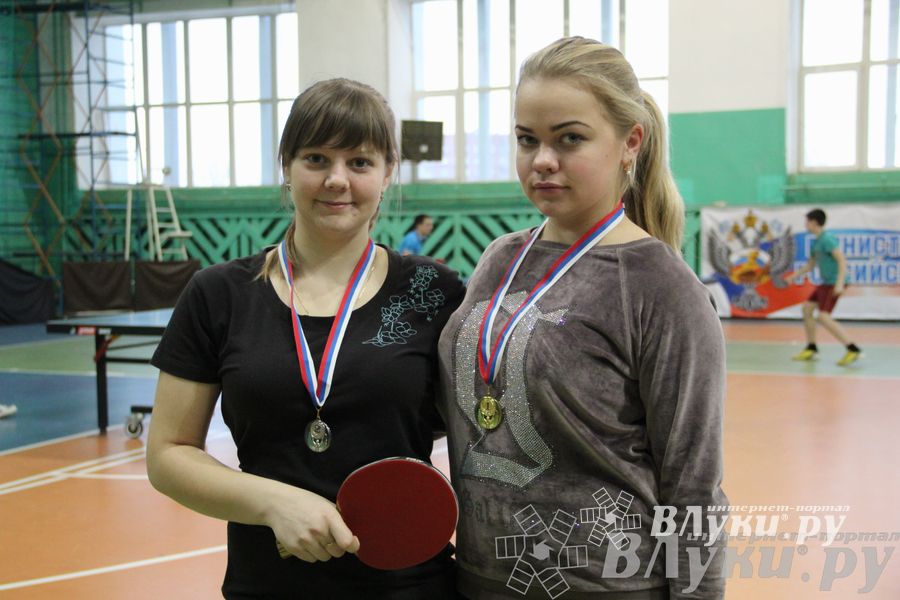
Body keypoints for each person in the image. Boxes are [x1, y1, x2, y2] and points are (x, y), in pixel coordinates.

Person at [146, 78, 464, 599]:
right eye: (316, 158)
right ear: (287, 167)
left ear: (388, 173)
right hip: (266, 585)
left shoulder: (435, 291)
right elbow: (168, 454)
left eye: (360, 162)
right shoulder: (218, 294)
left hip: (411, 586)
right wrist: (275, 503)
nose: (337, 180)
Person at [438, 37, 727, 599]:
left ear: (629, 142)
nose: (542, 160)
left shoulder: (660, 286)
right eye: (528, 140)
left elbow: (694, 486)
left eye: (569, 139)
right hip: (478, 579)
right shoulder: (500, 256)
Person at [791, 208, 862, 366]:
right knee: (807, 309)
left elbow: (841, 260)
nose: (805, 224)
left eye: (807, 221)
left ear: (814, 222)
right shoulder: (816, 242)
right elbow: (810, 264)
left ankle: (852, 348)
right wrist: (793, 276)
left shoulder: (827, 239)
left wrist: (839, 283)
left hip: (834, 282)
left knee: (823, 316)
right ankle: (811, 346)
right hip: (825, 283)